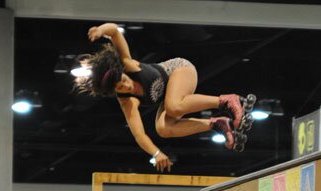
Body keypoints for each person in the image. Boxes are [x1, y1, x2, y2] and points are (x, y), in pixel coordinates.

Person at [75, 23, 256, 170]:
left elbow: (114, 32)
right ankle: (217, 123)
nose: (126, 85)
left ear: (122, 71)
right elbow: (139, 135)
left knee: (173, 107)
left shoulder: (127, 63)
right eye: (121, 87)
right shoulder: (127, 101)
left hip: (179, 69)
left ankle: (226, 100)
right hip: (171, 97)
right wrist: (156, 153)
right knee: (163, 128)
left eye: (123, 79)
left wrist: (100, 30)